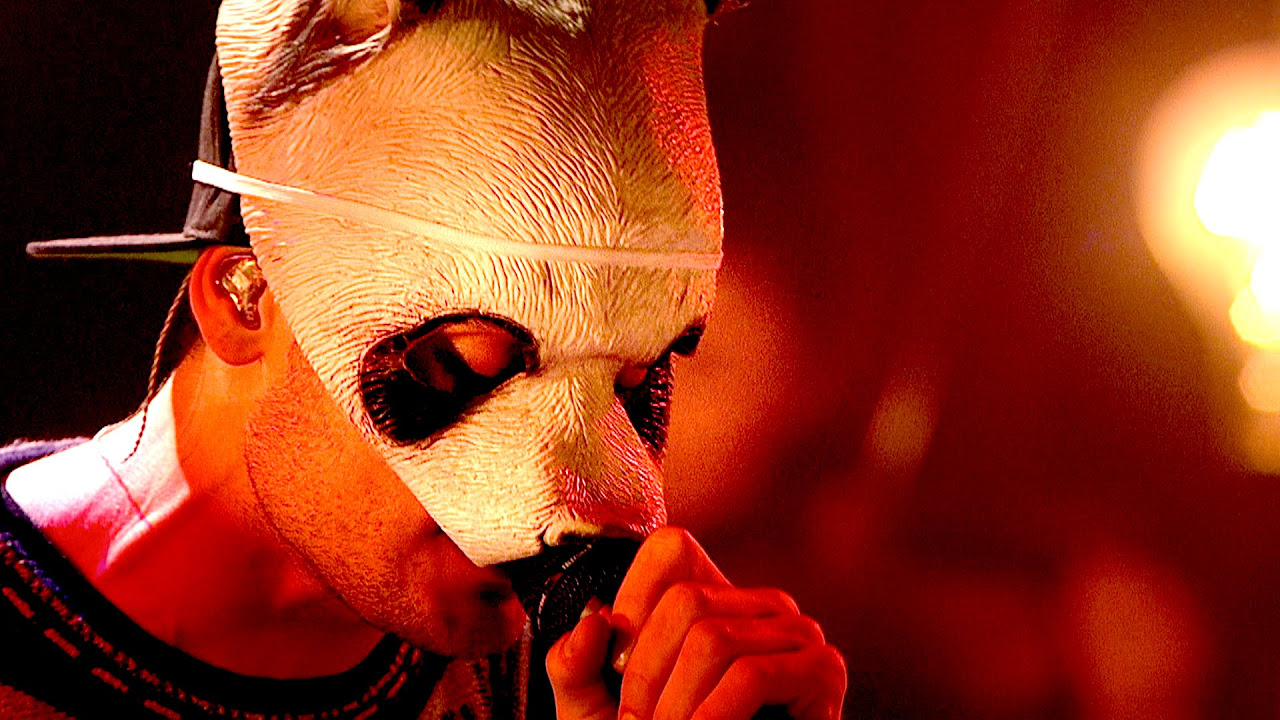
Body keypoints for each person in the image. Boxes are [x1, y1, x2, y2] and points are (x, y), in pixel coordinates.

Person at [1, 0, 847, 717]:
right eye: (468, 365)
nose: (589, 503)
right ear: (246, 298)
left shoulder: (573, 673)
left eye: (635, 378)